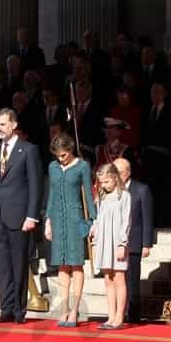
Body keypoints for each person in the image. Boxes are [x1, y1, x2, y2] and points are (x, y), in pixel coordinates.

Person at [0, 108, 42, 324]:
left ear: (14, 125)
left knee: (19, 264)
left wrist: (32, 215)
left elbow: (36, 186)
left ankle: (19, 310)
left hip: (19, 216)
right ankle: (5, 309)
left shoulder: (28, 150)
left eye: (3, 124)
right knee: (3, 266)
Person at [44, 134, 95, 327]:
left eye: (64, 155)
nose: (61, 158)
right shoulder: (52, 167)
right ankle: (64, 310)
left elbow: (88, 194)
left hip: (75, 219)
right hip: (57, 218)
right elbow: (51, 195)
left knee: (75, 265)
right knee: (62, 265)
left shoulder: (82, 166)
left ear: (71, 150)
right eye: (58, 155)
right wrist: (48, 220)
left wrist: (93, 220)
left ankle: (75, 310)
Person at [91, 163, 131, 329]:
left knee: (119, 278)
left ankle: (119, 317)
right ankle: (111, 315)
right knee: (108, 279)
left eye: (107, 182)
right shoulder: (102, 196)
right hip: (104, 241)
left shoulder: (124, 196)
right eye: (102, 182)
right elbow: (100, 218)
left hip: (117, 241)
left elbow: (126, 221)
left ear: (115, 178)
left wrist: (123, 244)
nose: (104, 185)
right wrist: (95, 230)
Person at [114, 158, 153, 324]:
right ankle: (117, 314)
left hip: (134, 243)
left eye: (119, 173)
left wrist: (146, 243)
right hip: (114, 244)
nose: (116, 176)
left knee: (131, 282)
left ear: (128, 172)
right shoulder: (110, 189)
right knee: (116, 280)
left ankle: (133, 315)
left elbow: (147, 218)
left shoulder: (141, 190)